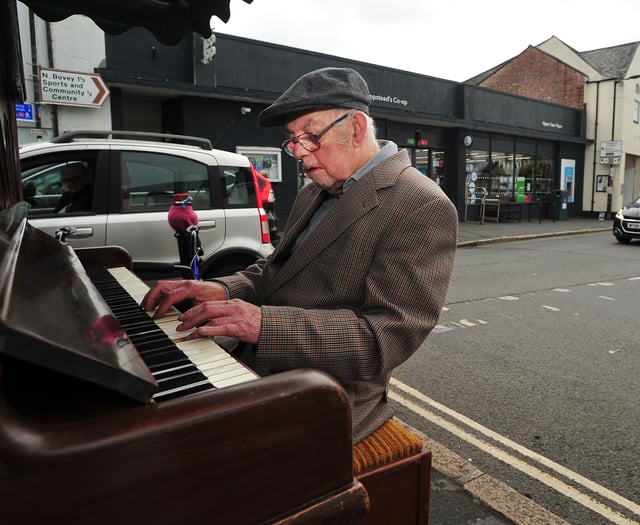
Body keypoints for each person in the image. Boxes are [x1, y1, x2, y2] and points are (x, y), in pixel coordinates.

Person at [141, 67, 458, 444]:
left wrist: (264, 324)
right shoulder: (314, 191)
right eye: (294, 140)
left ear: (356, 127)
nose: (301, 154)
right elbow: (275, 271)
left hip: (326, 394)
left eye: (310, 136)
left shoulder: (421, 203)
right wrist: (220, 290)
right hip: (259, 365)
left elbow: (386, 339)